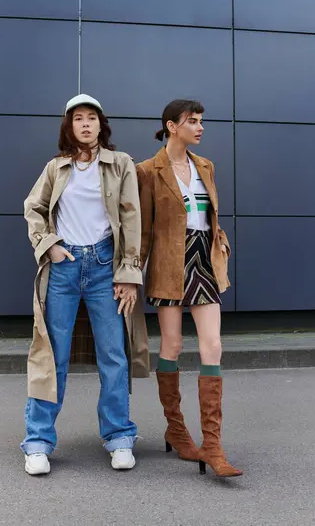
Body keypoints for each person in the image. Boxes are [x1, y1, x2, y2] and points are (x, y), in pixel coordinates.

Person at [21, 93, 149, 475]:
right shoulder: (56, 167)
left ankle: (120, 437)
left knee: (113, 354)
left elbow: (131, 218)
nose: (86, 124)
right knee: (51, 355)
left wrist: (128, 274)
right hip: (64, 267)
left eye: (92, 117)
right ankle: (38, 443)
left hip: (104, 267)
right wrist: (50, 246)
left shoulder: (120, 163)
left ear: (101, 124)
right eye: (78, 118)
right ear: (69, 126)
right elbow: (34, 208)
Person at [136, 99, 243, 478]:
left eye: (201, 121)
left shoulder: (205, 166)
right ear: (171, 126)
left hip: (203, 259)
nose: (199, 127)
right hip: (168, 261)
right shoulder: (147, 171)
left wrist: (221, 240)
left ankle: (212, 444)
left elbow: (210, 214)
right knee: (173, 345)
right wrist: (133, 272)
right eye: (192, 121)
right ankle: (177, 429)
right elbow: (143, 229)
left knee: (213, 344)